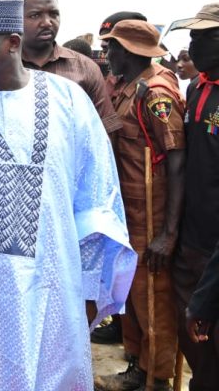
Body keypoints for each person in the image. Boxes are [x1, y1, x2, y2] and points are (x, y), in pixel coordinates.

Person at [0, 0, 135, 390]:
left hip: (50, 279)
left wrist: (88, 283)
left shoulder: (68, 100)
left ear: (12, 43)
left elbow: (95, 194)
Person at [95, 20, 185, 391]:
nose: (107, 55)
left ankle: (156, 377)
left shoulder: (156, 93)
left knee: (154, 299)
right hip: (128, 211)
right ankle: (137, 365)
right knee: (132, 293)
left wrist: (168, 233)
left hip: (151, 212)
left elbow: (177, 160)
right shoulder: (127, 86)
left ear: (129, 52)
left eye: (112, 48)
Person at [167, 2, 219, 390]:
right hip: (191, 238)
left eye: (205, 37)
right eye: (192, 37)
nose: (194, 45)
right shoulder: (196, 87)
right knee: (191, 337)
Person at [16, 0, 121, 135]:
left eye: (54, 14)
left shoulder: (86, 68)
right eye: (35, 15)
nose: (47, 22)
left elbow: (106, 130)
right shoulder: (2, 68)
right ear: (17, 19)